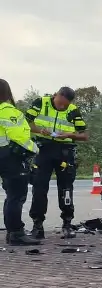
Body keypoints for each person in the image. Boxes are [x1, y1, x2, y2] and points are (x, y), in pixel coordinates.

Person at [26, 86, 87, 239]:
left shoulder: (73, 110)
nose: (61, 107)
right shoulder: (41, 103)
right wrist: (39, 130)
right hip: (43, 149)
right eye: (60, 103)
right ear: (56, 95)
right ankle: (37, 225)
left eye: (65, 105)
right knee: (39, 188)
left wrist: (68, 134)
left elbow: (84, 135)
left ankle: (67, 224)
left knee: (66, 188)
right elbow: (26, 122)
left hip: (64, 151)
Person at [1, 79, 41, 246]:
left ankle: (12, 231)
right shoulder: (9, 111)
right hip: (10, 156)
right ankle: (16, 233)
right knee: (16, 196)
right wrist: (35, 148)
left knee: (11, 196)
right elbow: (19, 137)